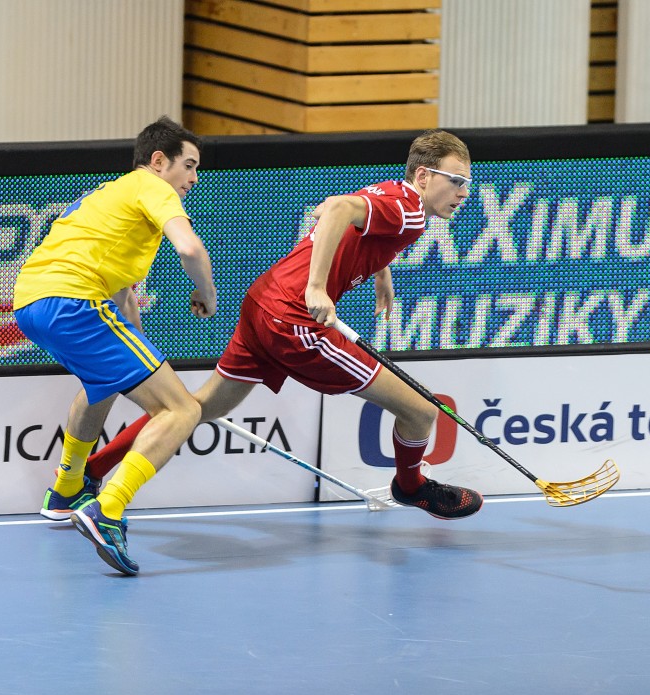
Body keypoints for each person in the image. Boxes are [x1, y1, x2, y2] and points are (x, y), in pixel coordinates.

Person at [85, 129, 483, 520]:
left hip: (262, 303)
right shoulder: (409, 210)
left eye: (466, 182)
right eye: (456, 180)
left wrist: (381, 273)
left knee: (193, 408)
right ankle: (410, 486)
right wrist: (316, 287)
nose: (463, 192)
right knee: (421, 412)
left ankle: (91, 471)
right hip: (293, 320)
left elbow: (329, 210)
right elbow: (338, 209)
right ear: (424, 176)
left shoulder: (394, 194)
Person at [13, 116, 217, 575]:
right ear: (158, 161)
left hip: (31, 303)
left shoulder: (110, 194)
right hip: (73, 301)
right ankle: (107, 510)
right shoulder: (153, 187)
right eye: (188, 165)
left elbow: (123, 297)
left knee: (101, 383)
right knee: (182, 409)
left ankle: (67, 490)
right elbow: (189, 248)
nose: (193, 178)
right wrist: (206, 292)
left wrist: (141, 348)